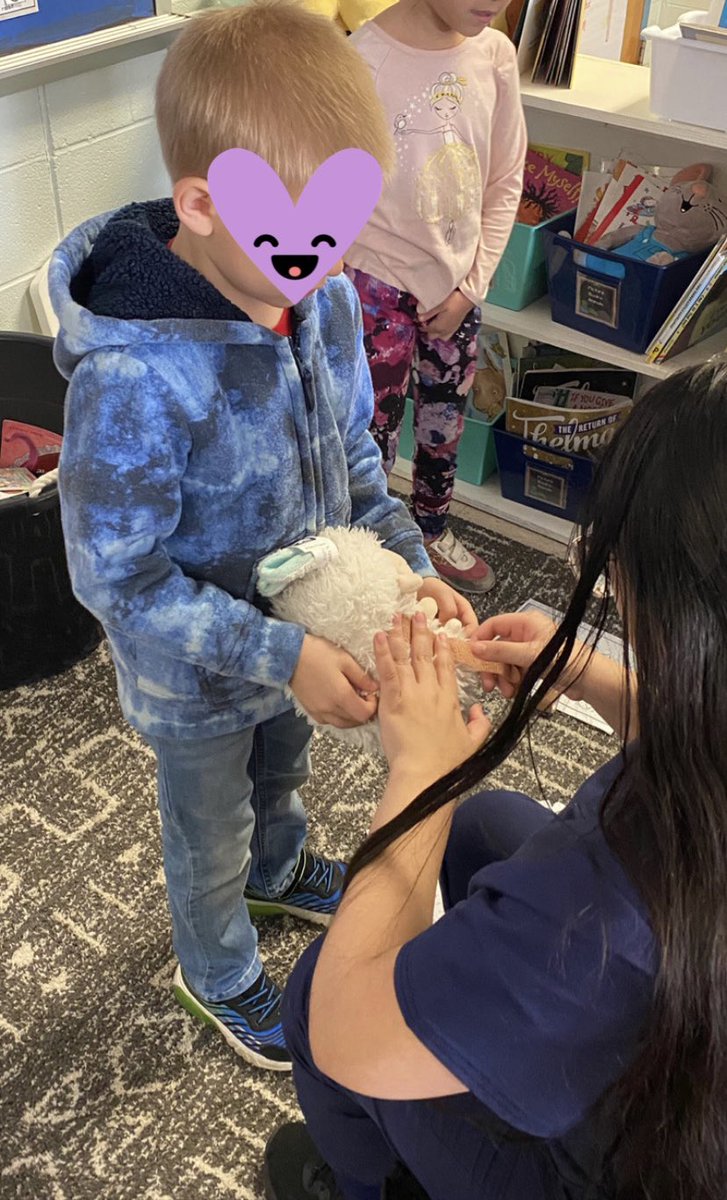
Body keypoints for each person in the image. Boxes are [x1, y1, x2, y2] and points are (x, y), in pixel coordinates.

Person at [50, 1, 476, 1072]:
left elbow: (355, 474)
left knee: (281, 778)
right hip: (199, 676)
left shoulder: (318, 300)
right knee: (207, 829)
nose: (328, 263)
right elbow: (120, 579)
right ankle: (216, 962)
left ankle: (279, 871)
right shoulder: (133, 378)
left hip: (308, 638)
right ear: (202, 203)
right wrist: (283, 656)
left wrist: (413, 576)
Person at [263, 360, 727, 1197]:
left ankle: (364, 1185)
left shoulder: (603, 906)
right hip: (662, 1022)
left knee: (316, 994)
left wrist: (420, 774)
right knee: (489, 828)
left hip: (622, 1163)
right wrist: (592, 674)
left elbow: (349, 1026)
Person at [345, 0, 527, 594]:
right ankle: (369, 552)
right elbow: (330, 181)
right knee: (369, 434)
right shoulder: (361, 57)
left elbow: (504, 180)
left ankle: (430, 529)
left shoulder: (495, 53)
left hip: (456, 288)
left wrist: (470, 287)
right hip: (373, 287)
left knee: (445, 422)